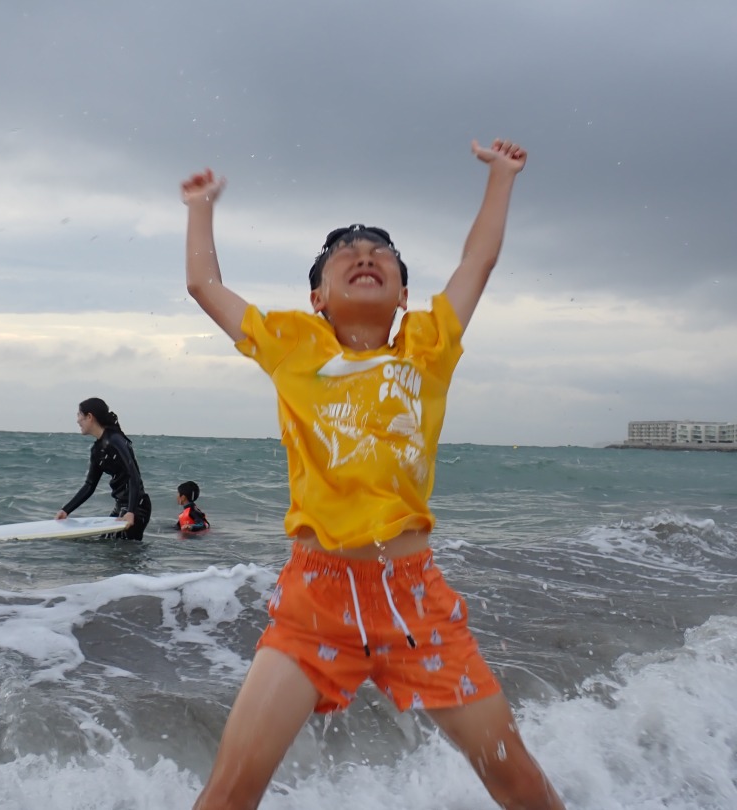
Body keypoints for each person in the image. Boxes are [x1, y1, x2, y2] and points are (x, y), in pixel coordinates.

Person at [181, 139, 565, 810]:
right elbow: (203, 286)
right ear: (318, 297)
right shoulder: (292, 347)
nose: (364, 255)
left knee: (519, 782)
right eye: (345, 253)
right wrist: (201, 208)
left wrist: (502, 178)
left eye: (381, 252)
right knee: (231, 790)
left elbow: (478, 260)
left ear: (404, 293)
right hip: (315, 602)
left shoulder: (428, 347)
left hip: (416, 602)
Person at [56, 397, 152, 541]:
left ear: (89, 417)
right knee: (105, 544)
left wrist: (131, 511)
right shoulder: (97, 450)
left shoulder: (115, 440)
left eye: (79, 415)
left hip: (137, 505)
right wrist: (66, 510)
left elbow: (133, 475)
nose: (77, 420)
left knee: (124, 550)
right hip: (121, 506)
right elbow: (89, 485)